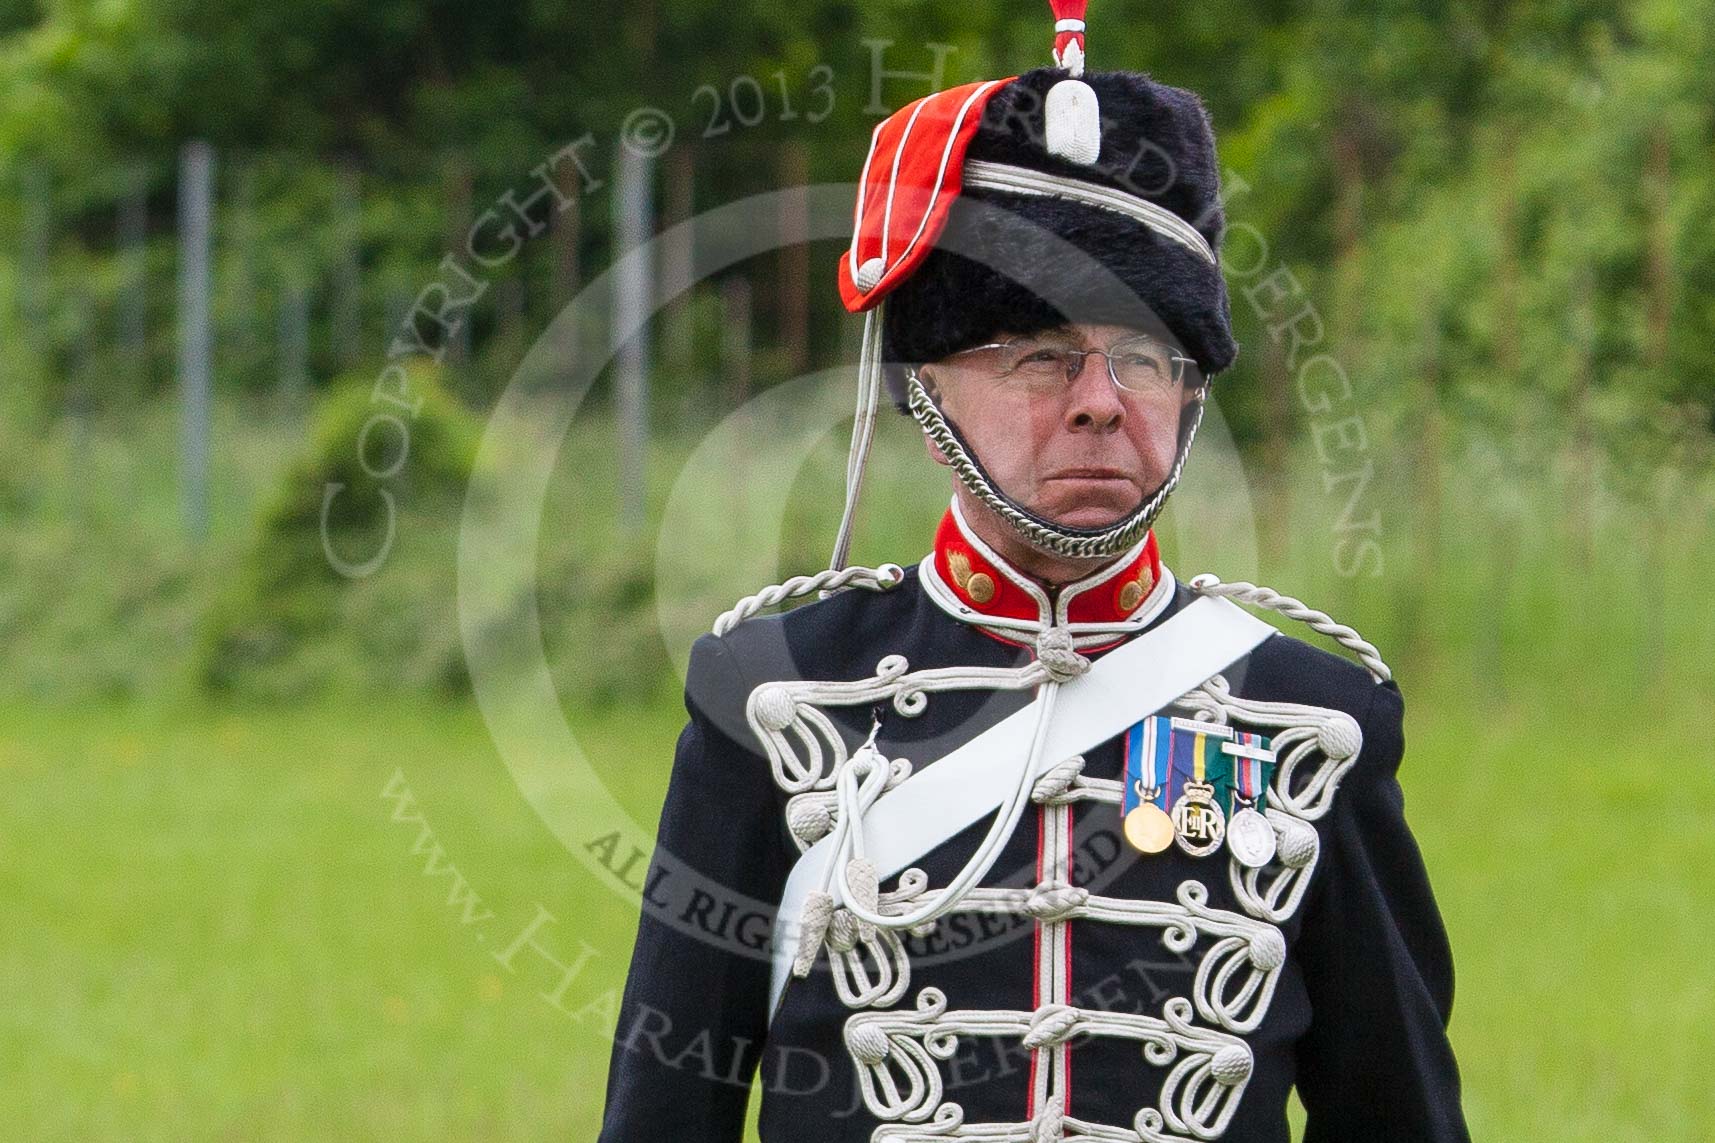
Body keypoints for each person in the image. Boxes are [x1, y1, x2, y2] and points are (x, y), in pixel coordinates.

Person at [599, 5, 1470, 1140]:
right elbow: (667, 1116)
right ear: (926, 398)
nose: (1101, 401)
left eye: (1146, 359)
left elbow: (1396, 1116)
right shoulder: (773, 703)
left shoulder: (1309, 724)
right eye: (1038, 358)